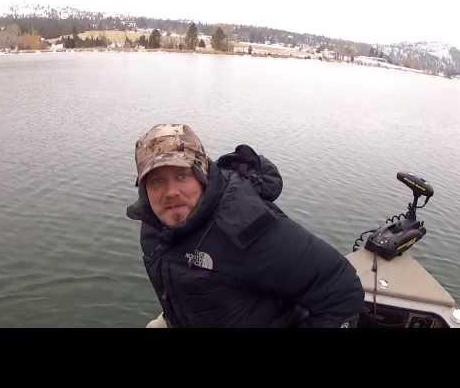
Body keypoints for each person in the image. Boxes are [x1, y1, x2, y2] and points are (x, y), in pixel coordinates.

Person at [126, 124, 364, 328]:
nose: (170, 193)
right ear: (144, 190)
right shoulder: (153, 226)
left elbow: (342, 290)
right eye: (156, 181)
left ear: (202, 175)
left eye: (181, 176)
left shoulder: (246, 226)